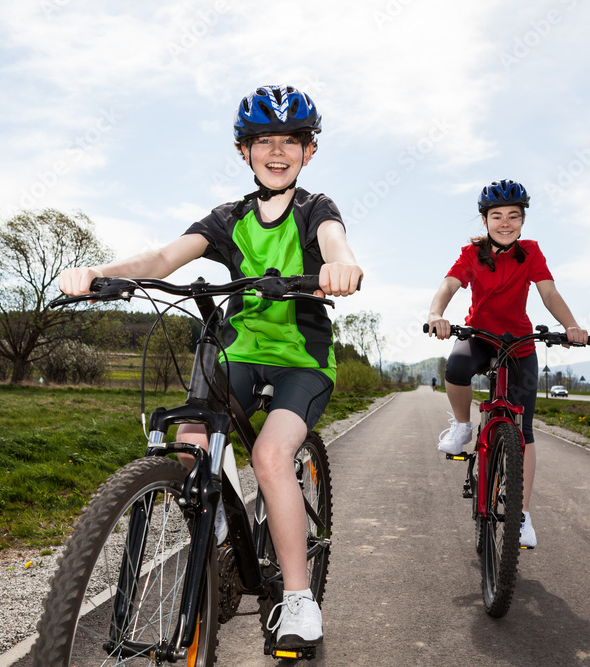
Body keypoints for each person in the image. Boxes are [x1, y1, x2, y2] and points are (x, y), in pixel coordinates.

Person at [58, 85, 362, 650]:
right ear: (242, 150)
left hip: (302, 359)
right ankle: (218, 525)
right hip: (238, 352)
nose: (277, 151)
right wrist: (101, 272)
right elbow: (163, 258)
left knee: (271, 455)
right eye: (263, 140)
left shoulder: (315, 210)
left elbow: (335, 244)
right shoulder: (227, 219)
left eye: (290, 141)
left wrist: (342, 269)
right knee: (191, 442)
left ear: (309, 151)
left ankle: (297, 598)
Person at [425, 179, 588, 548]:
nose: (505, 223)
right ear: (484, 220)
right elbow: (449, 285)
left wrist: (571, 326)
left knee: (524, 431)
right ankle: (464, 426)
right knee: (455, 368)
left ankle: (522, 515)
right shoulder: (472, 254)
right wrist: (437, 314)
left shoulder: (530, 253)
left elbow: (548, 292)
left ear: (523, 220)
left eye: (513, 216)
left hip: (519, 344)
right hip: (480, 336)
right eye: (496, 216)